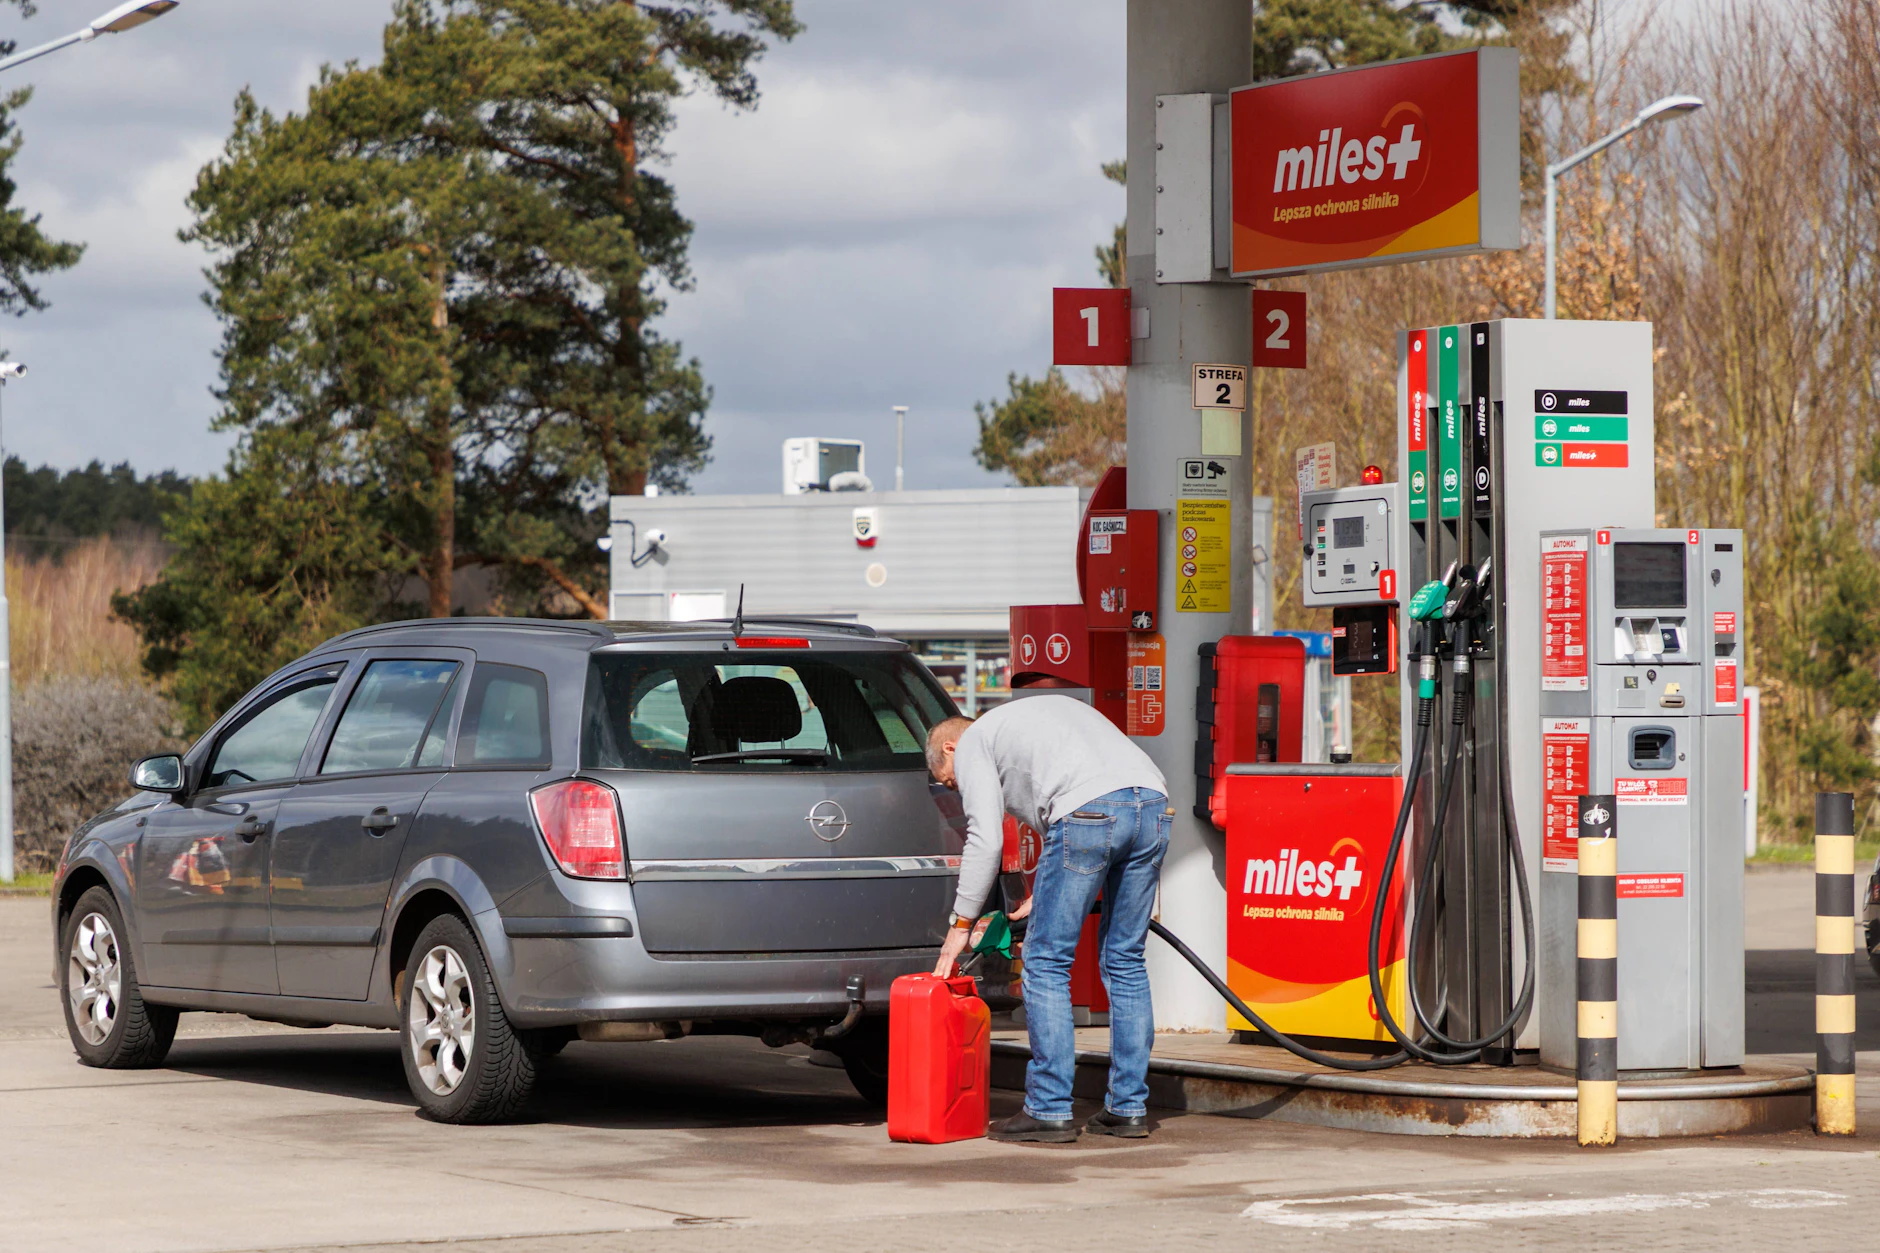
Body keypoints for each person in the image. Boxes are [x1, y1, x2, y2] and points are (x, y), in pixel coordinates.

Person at [927, 695, 1171, 1143]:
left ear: (949, 749)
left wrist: (959, 927)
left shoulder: (975, 740)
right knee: (1125, 961)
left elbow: (984, 839)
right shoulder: (1029, 723)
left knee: (1045, 962)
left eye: (952, 783)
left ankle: (1048, 1108)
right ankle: (1127, 1108)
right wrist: (1045, 893)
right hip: (1153, 806)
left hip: (1089, 812)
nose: (959, 788)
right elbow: (1081, 799)